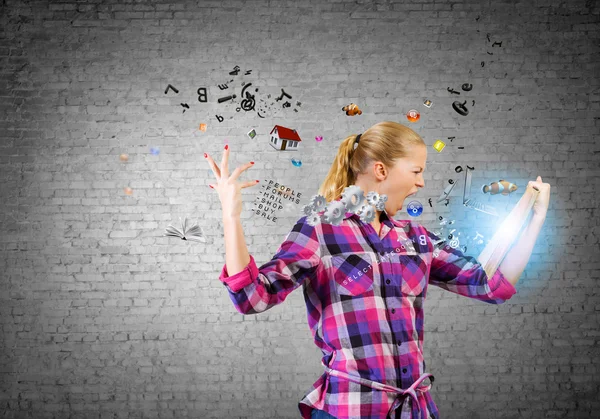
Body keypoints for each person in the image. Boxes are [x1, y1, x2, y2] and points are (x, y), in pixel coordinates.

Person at [204, 121, 550, 419]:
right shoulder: (320, 229)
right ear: (381, 171)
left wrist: (533, 219)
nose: (421, 183)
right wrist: (231, 216)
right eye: (416, 171)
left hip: (415, 409)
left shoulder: (416, 239)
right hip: (350, 408)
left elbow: (488, 284)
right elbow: (252, 297)